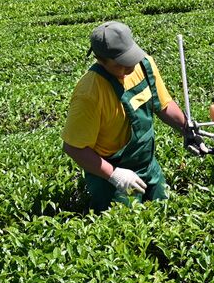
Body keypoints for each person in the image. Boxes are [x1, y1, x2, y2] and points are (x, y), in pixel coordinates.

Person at [62, 21, 205, 211]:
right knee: (124, 229)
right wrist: (114, 175)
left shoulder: (144, 65)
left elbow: (163, 105)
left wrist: (187, 129)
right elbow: (73, 148)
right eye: (120, 64)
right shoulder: (90, 93)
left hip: (147, 165)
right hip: (110, 173)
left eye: (130, 58)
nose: (129, 66)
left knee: (166, 212)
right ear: (100, 59)